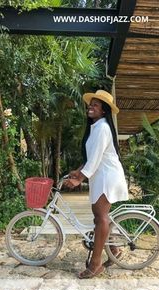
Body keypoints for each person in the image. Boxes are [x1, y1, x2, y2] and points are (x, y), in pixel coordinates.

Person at [64, 89, 128, 278]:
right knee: (99, 217)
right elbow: (92, 157)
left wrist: (79, 179)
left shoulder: (102, 129)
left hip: (107, 177)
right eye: (90, 104)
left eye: (95, 105)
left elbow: (96, 159)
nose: (90, 107)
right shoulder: (96, 128)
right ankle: (114, 249)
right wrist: (79, 170)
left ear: (104, 111)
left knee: (101, 218)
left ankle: (96, 263)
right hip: (100, 176)